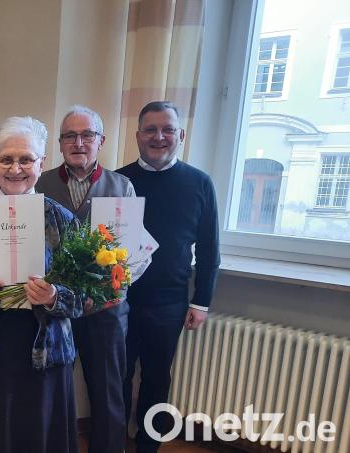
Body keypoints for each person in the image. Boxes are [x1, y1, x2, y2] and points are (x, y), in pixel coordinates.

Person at [0, 116, 117, 453]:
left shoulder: (63, 221)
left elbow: (86, 297)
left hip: (42, 353)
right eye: (6, 159)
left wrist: (54, 296)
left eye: (26, 159)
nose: (15, 169)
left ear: (41, 163)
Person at [117, 101, 219, 453]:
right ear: (138, 136)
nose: (158, 137)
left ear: (181, 135)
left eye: (167, 129)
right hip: (119, 300)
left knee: (157, 379)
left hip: (169, 302)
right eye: (150, 129)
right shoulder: (118, 181)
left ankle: (148, 446)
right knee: (118, 377)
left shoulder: (200, 183)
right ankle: (114, 443)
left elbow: (209, 249)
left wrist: (201, 302)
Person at [35, 105, 135, 453]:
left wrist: (114, 287)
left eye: (87, 135)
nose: (78, 143)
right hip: (53, 303)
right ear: (60, 143)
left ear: (100, 141)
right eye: (70, 136)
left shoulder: (122, 186)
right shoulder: (39, 183)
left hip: (105, 309)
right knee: (48, 386)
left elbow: (131, 252)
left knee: (108, 389)